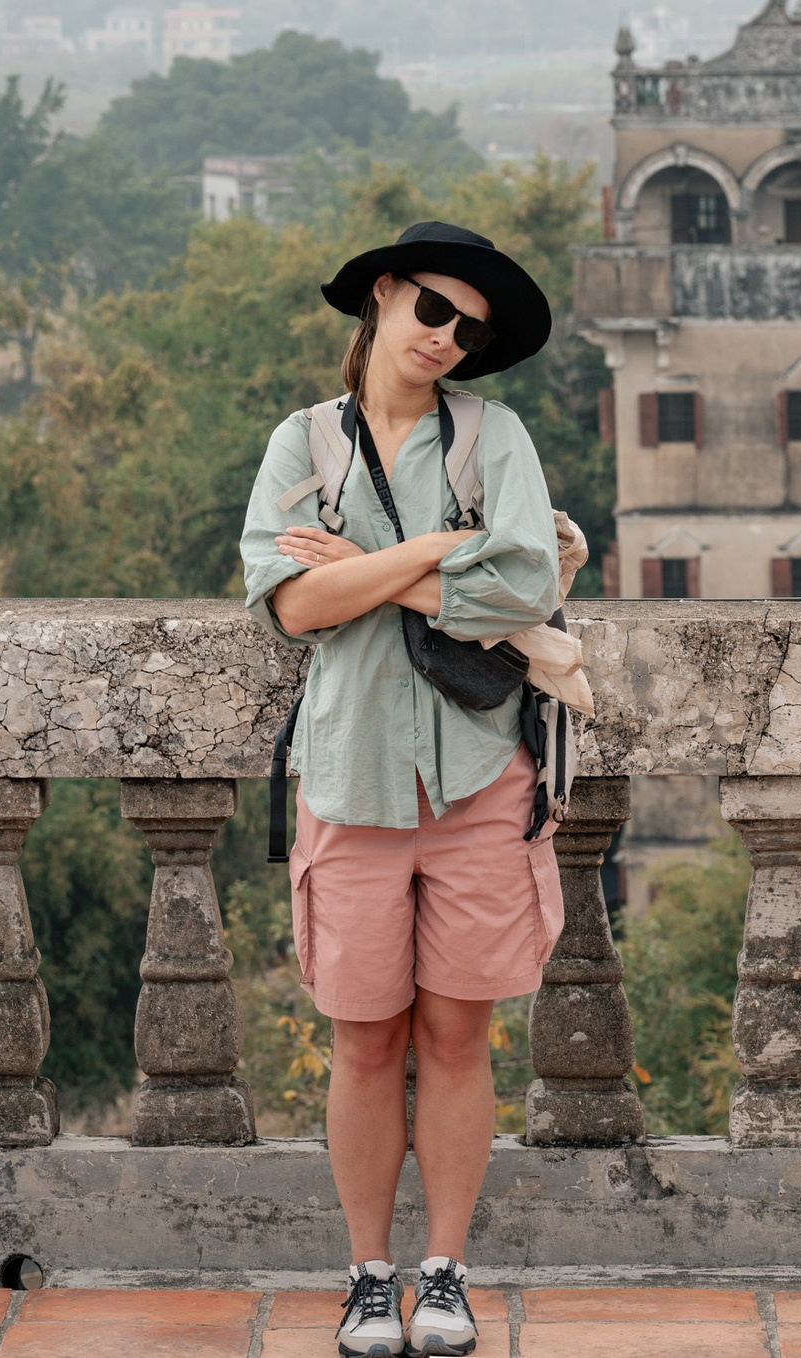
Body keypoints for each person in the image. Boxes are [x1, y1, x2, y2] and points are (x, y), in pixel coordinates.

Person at [240, 221, 562, 1358]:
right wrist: (445, 557)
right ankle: (368, 1274)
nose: (447, 339)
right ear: (381, 298)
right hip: (352, 781)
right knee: (367, 1041)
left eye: (469, 330)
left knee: (459, 1035)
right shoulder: (303, 443)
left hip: (478, 777)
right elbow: (289, 608)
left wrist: (368, 570)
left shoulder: (493, 436)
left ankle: (445, 1271)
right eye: (433, 309)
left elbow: (524, 584)